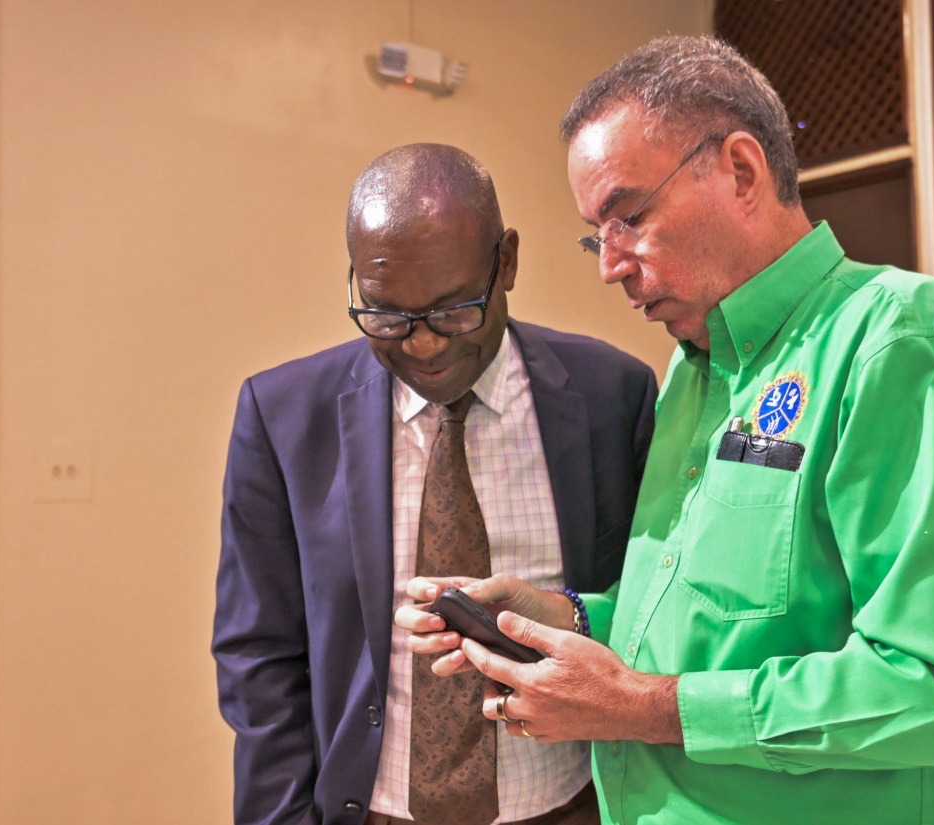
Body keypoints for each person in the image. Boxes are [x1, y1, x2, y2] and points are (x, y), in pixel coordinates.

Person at [397, 36, 934, 825]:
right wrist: (568, 616)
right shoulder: (692, 374)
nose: (610, 263)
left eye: (628, 216)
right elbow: (720, 618)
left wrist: (640, 708)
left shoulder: (901, 344)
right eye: (597, 234)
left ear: (741, 170)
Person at [212, 143, 657, 825]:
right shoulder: (283, 417)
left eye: (454, 312)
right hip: (377, 810)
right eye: (387, 315)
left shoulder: (611, 394)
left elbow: (652, 610)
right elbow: (261, 655)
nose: (422, 345)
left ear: (505, 262)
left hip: (572, 804)